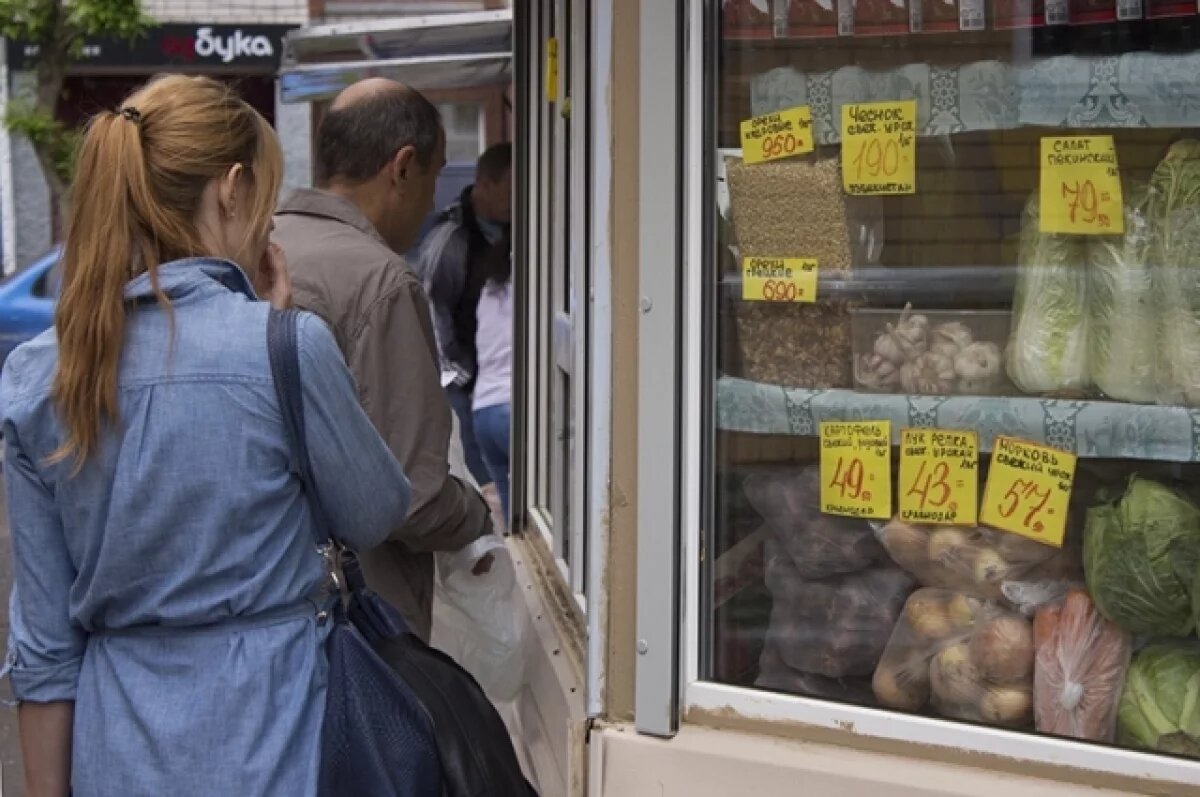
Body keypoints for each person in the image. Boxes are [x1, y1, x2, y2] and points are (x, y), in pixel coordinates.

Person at [2, 75, 411, 797]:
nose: (270, 227)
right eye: (266, 200)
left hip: (116, 750)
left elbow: (43, 647)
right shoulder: (284, 348)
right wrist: (278, 333)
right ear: (230, 189)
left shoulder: (39, 377)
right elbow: (376, 512)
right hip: (278, 744)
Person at [273, 78, 492, 642]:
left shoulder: (254, 247)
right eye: (436, 175)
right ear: (403, 167)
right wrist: (477, 513)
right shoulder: (380, 281)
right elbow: (412, 500)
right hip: (355, 632)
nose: (432, 200)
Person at [418, 143, 513, 516]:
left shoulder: (527, 230)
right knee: (482, 482)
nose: (518, 200)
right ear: (484, 185)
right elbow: (431, 309)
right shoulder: (450, 241)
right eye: (510, 190)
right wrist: (456, 375)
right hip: (464, 378)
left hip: (501, 377)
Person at [471, 230, 514, 519]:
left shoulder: (489, 292)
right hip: (510, 408)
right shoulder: (531, 293)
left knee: (512, 515)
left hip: (482, 412)